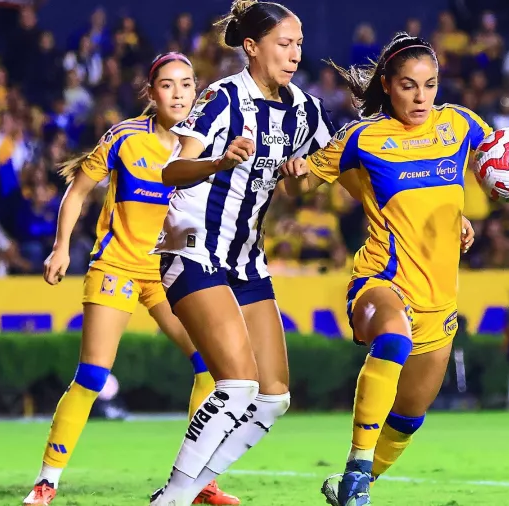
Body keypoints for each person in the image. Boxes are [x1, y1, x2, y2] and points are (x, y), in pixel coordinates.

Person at [279, 32, 509, 506]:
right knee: (393, 337)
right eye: (408, 86)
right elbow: (301, 187)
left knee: (409, 415)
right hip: (381, 280)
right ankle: (358, 468)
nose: (421, 97)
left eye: (430, 85)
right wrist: (296, 176)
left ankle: (352, 490)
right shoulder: (363, 137)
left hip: (439, 298)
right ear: (387, 85)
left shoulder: (459, 124)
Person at [22, 53, 239, 506]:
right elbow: (78, 190)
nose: (178, 94)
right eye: (167, 85)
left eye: (186, 84)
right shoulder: (124, 137)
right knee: (92, 375)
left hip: (169, 269)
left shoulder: (206, 144)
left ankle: (197, 481)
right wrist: (61, 246)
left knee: (215, 368)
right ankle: (47, 482)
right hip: (118, 265)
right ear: (151, 92)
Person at [149, 2, 335, 505]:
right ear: (251, 48)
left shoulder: (306, 110)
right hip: (192, 247)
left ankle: (181, 490)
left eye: (298, 43)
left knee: (273, 398)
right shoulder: (222, 97)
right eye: (284, 43)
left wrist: (304, 176)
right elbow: (171, 172)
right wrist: (217, 160)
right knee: (237, 384)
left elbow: (318, 177)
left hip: (246, 257)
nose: (295, 54)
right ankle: (174, 498)